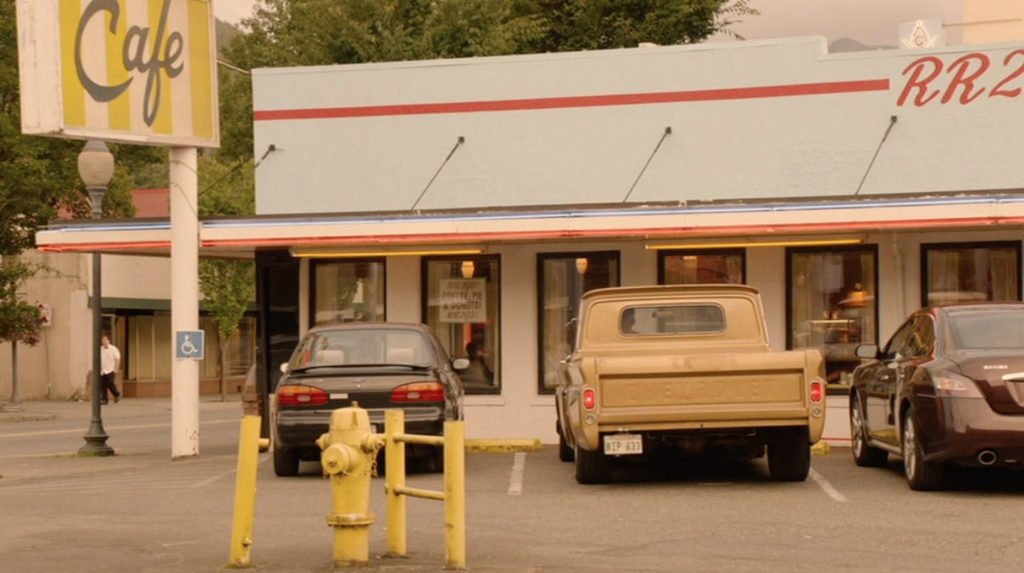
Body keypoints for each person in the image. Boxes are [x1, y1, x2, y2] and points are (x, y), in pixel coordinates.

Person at [99, 334, 122, 404]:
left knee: (110, 383)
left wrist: (116, 369)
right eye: (103, 340)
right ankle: (104, 400)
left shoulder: (113, 349)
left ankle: (117, 394)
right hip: (103, 370)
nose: (103, 341)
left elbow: (117, 359)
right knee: (103, 386)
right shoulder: (100, 349)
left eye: (105, 340)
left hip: (111, 370)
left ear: (109, 340)